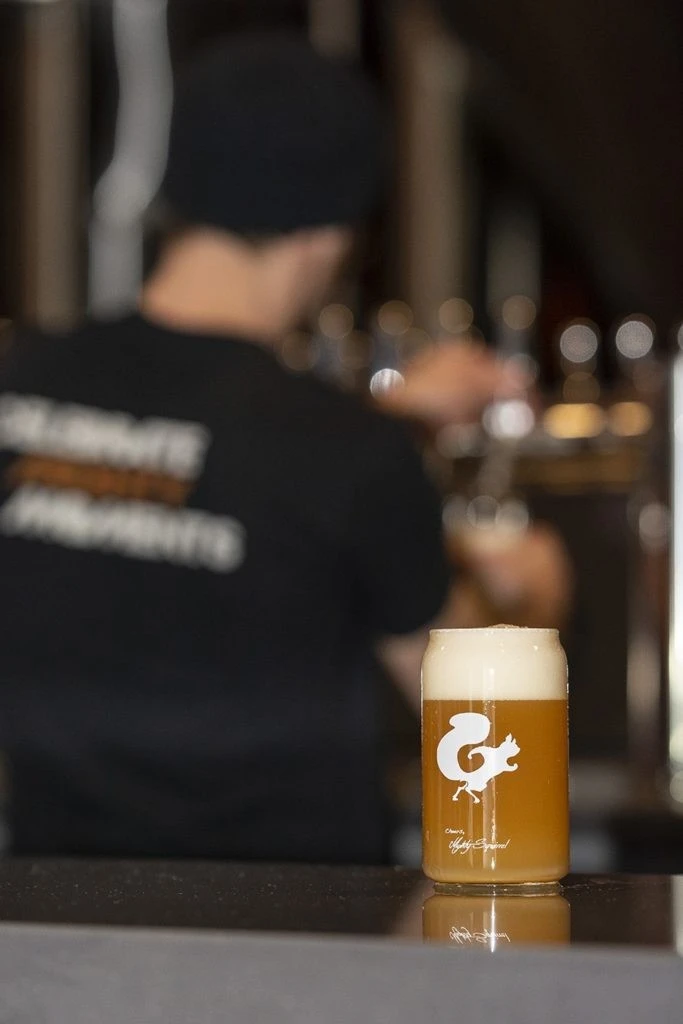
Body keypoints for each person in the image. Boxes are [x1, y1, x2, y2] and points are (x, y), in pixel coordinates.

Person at [0, 33, 570, 862]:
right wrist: (526, 603)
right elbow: (479, 736)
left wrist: (392, 416)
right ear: (325, 234)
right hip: (295, 926)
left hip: (54, 920)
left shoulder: (21, 385)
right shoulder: (345, 452)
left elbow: (209, 461)